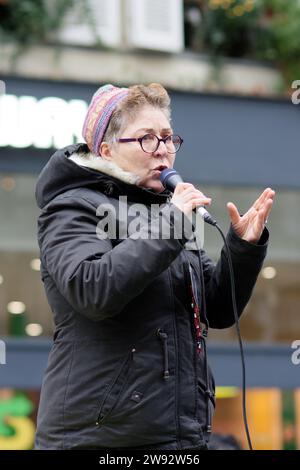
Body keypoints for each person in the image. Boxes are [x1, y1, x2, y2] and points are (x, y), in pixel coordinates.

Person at [34, 83, 275, 450]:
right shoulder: (71, 207)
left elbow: (219, 309)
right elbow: (92, 290)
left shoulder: (167, 215)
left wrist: (243, 249)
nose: (162, 149)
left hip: (179, 437)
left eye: (167, 138)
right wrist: (174, 222)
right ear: (106, 150)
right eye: (147, 139)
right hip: (100, 438)